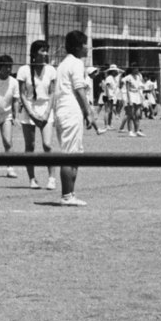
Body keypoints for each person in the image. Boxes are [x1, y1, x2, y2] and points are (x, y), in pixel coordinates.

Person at [51, 30, 96, 206]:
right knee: (69, 155)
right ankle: (67, 196)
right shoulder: (76, 63)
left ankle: (70, 193)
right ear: (78, 46)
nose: (88, 47)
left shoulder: (63, 64)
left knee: (74, 153)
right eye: (86, 44)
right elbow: (79, 89)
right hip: (70, 112)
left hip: (63, 111)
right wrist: (89, 112)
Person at [17, 38, 57, 191]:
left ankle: (52, 178)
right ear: (34, 53)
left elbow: (52, 93)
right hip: (29, 109)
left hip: (46, 108)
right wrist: (32, 114)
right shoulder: (23, 70)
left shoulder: (51, 70)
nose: (45, 53)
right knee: (30, 146)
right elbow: (22, 94)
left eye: (46, 50)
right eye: (42, 50)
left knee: (47, 145)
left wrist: (47, 113)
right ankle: (32, 179)